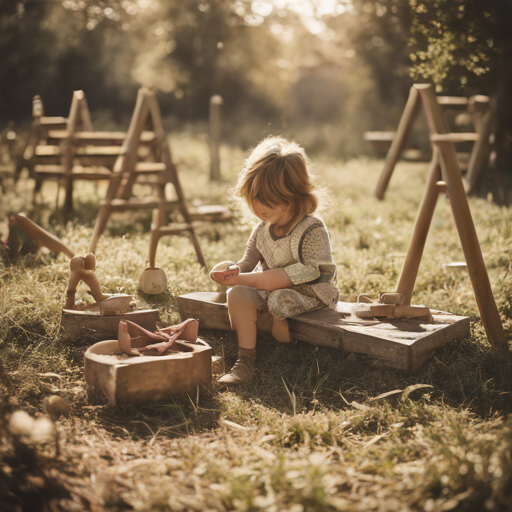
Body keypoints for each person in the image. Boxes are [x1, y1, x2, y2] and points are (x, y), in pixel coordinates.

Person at [211, 137, 338, 385]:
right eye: (253, 198)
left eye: (266, 202)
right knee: (237, 293)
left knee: (280, 298)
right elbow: (246, 264)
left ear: (291, 197)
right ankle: (245, 360)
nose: (257, 208)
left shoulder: (311, 228)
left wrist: (246, 278)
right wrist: (229, 271)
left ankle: (274, 324)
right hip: (268, 290)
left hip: (309, 292)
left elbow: (295, 274)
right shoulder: (262, 230)